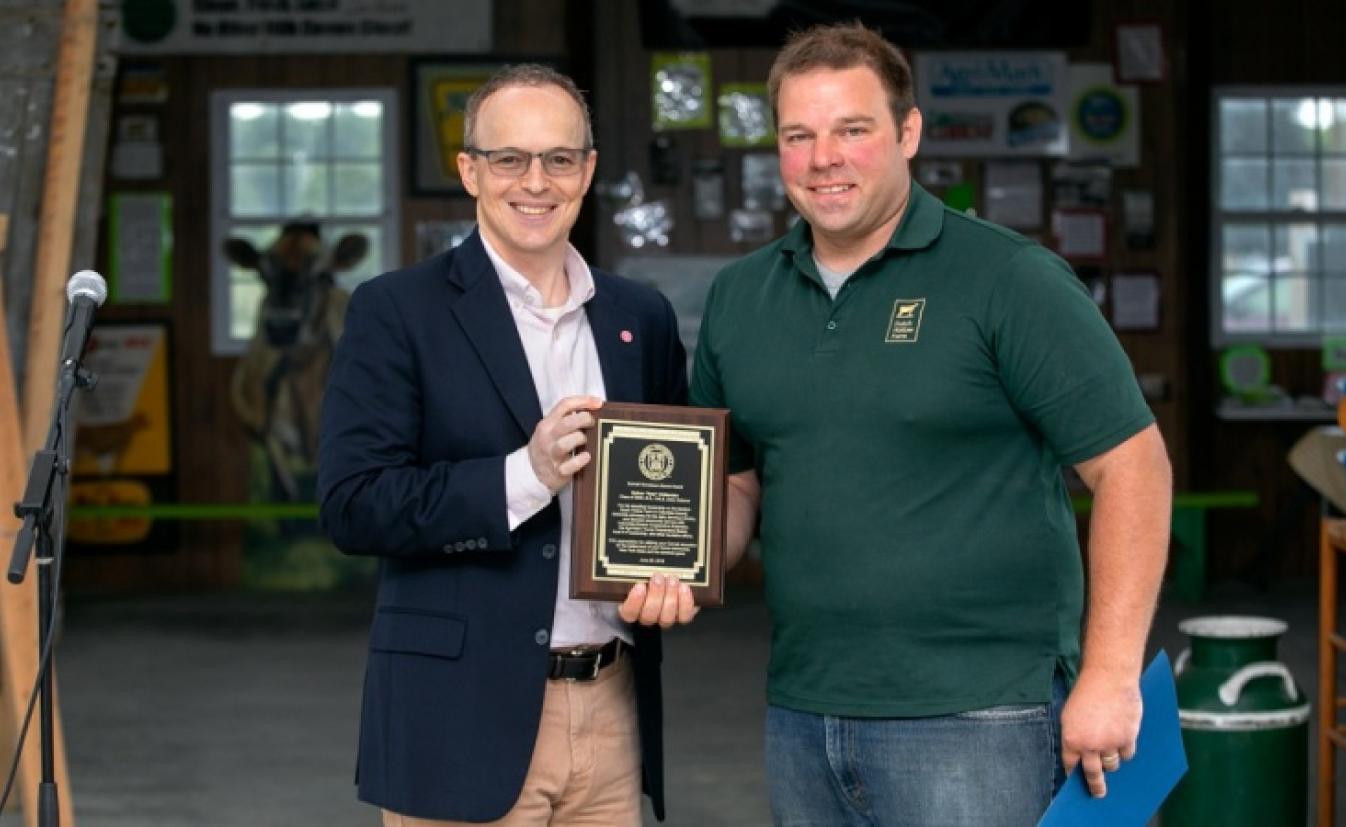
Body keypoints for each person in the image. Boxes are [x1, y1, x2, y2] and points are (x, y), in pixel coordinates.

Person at [691, 23, 1173, 826]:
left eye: (853, 130)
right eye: (799, 136)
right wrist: (680, 559)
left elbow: (1133, 465)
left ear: (908, 132)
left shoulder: (1008, 278)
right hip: (804, 713)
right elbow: (738, 483)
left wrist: (1111, 674)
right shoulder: (741, 296)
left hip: (981, 716)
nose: (824, 158)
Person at [318, 64, 695, 826]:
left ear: (587, 170)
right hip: (458, 723)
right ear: (470, 170)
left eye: (559, 158)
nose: (536, 181)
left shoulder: (640, 317)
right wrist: (527, 473)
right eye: (509, 158)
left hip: (613, 711)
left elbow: (671, 494)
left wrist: (672, 575)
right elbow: (354, 504)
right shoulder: (396, 310)